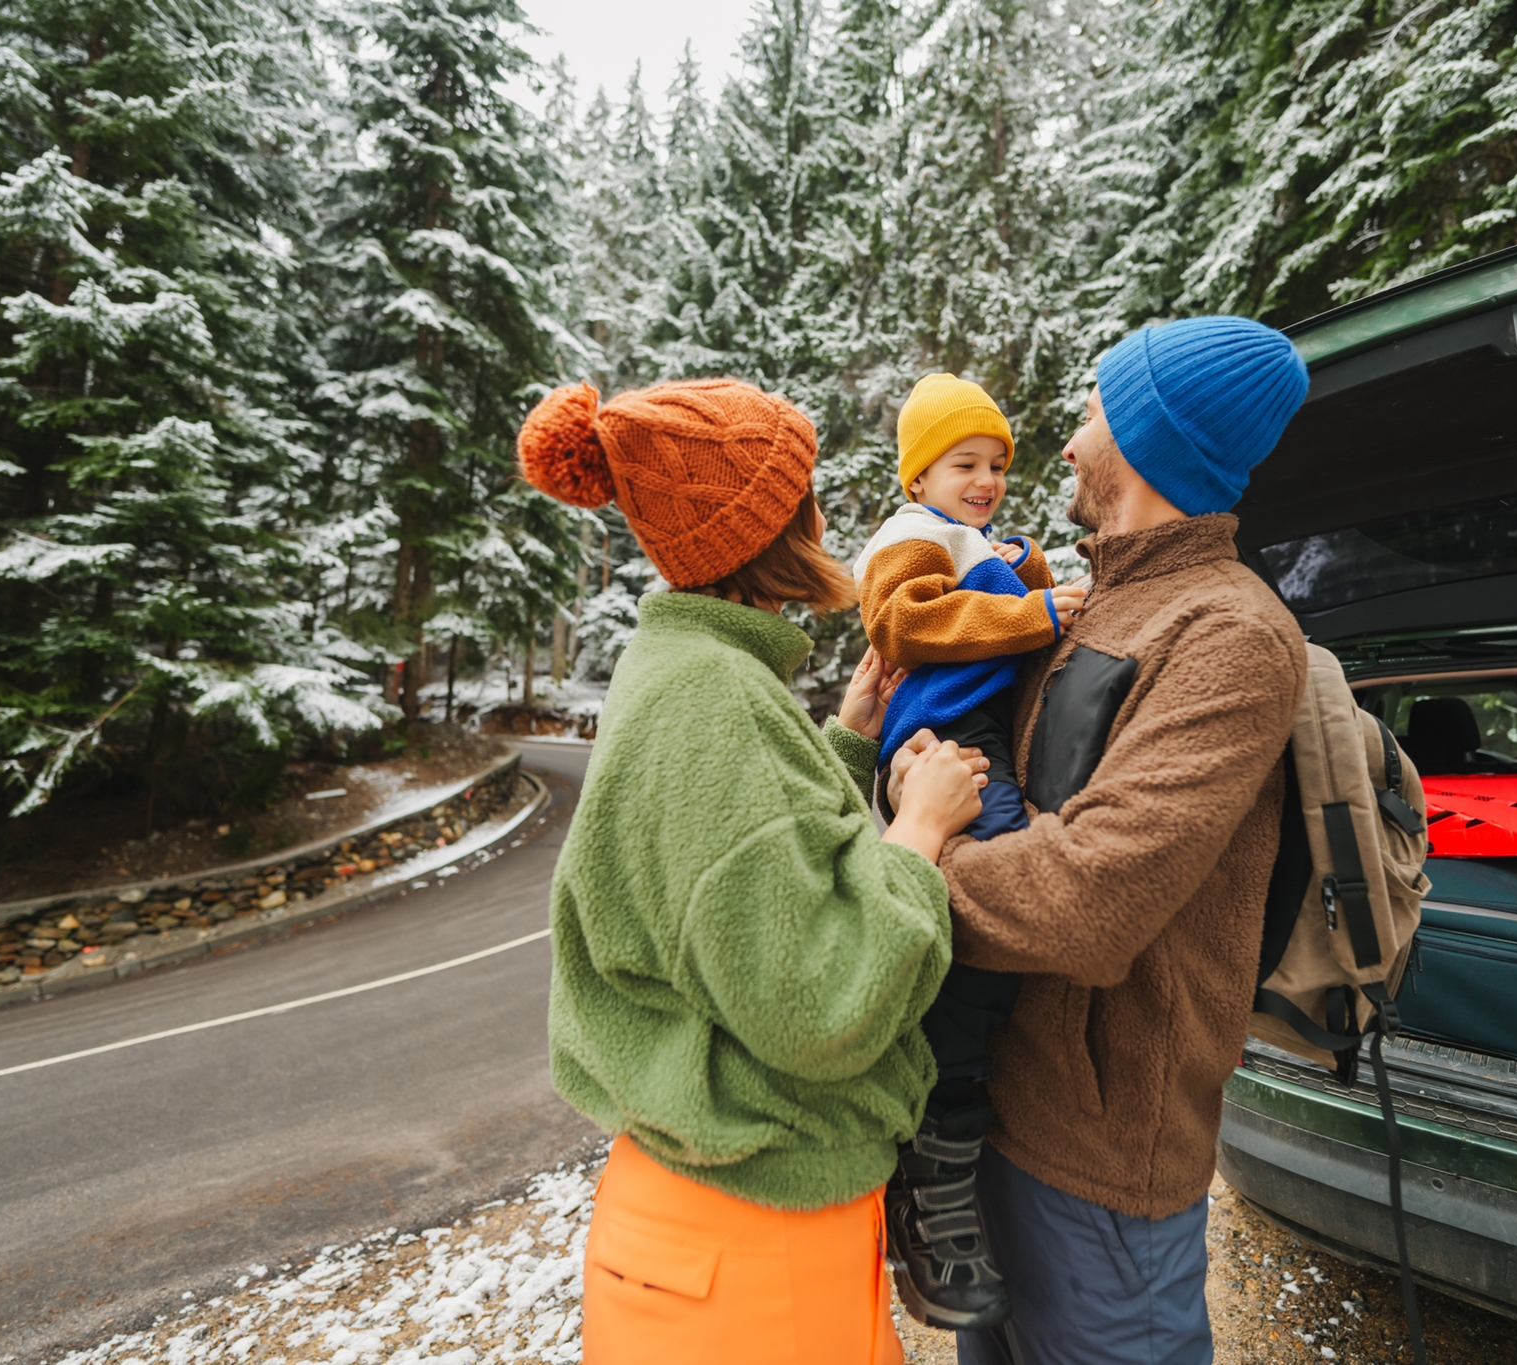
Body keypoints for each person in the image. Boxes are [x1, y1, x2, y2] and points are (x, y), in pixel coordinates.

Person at [516, 377, 991, 1365]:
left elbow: (737, 861)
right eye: (800, 494)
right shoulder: (715, 700)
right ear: (764, 526)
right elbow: (815, 1002)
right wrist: (920, 831)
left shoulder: (685, 671)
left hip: (719, 1217)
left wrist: (847, 746)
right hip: (750, 1244)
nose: (819, 516)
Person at [900, 316, 1314, 1365]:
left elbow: (1092, 900)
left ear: (1139, 439)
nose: (1070, 441)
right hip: (994, 1111)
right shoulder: (1085, 605)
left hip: (1101, 1157)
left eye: (1091, 413)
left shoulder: (1228, 633)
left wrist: (914, 855)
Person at [851, 373, 1089, 1329]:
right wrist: (1038, 610)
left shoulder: (982, 543)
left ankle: (956, 1087)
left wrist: (1032, 573)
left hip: (984, 731)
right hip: (943, 738)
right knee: (995, 903)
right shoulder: (912, 535)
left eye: (997, 464)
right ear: (919, 475)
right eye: (964, 464)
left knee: (1002, 911)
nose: (986, 481)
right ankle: (934, 1125)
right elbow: (903, 621)